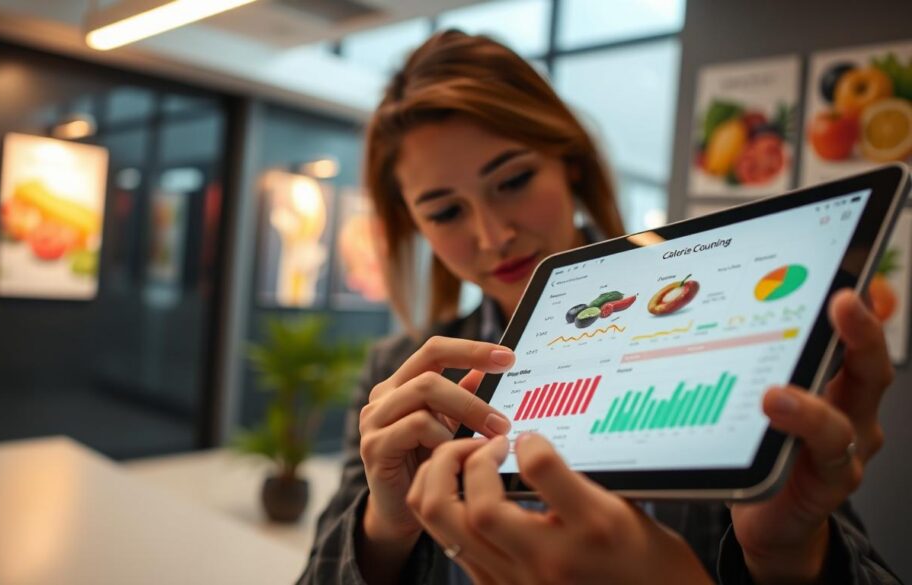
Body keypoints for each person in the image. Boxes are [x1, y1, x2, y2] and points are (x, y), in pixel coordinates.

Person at [298, 30, 899, 585]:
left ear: (570, 162)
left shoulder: (709, 323)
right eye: (446, 212)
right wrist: (385, 528)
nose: (492, 235)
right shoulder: (399, 374)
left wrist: (790, 556)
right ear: (415, 226)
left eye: (512, 180)